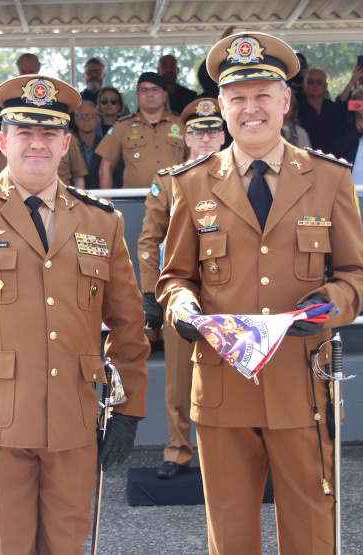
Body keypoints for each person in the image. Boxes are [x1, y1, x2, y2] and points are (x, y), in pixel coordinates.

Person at [0, 74, 149, 554]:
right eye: (24, 133)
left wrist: (128, 408)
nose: (37, 144)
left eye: (49, 134)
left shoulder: (102, 220)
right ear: (3, 141)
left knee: (66, 546)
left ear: (66, 144)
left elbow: (128, 322)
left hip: (74, 417)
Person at [157, 31, 363, 555]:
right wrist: (183, 307)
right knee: (229, 530)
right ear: (221, 106)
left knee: (311, 527)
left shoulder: (329, 178)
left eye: (262, 95)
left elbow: (355, 275)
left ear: (285, 101)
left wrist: (326, 306)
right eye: (237, 98)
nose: (250, 108)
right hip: (223, 384)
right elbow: (175, 277)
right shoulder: (191, 183)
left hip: (302, 382)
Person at [137, 97, 225, 480]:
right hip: (182, 295)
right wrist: (150, 293)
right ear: (186, 137)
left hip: (229, 293)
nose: (205, 139)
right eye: (197, 133)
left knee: (231, 375)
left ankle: (224, 454)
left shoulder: (241, 178)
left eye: (212, 132)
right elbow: (149, 240)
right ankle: (178, 450)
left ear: (223, 136)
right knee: (179, 380)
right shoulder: (167, 180)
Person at [96, 72, 187, 189]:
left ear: (164, 95)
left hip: (175, 196)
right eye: (144, 91)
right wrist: (106, 200)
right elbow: (105, 168)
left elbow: (196, 162)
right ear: (137, 96)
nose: (150, 94)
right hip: (135, 198)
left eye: (155, 90)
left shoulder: (182, 125)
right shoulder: (122, 126)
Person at [298, 68, 342, 155]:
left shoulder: (336, 109)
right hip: (304, 158)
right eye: (310, 82)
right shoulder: (296, 110)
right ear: (304, 86)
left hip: (332, 158)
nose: (315, 85)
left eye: (319, 82)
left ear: (325, 86)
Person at [72, 100, 109, 188]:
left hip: (101, 195)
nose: (87, 119)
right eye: (82, 116)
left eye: (91, 116)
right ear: (76, 120)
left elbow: (116, 176)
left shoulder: (107, 144)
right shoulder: (69, 144)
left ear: (98, 118)